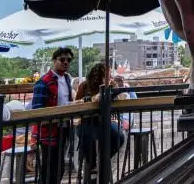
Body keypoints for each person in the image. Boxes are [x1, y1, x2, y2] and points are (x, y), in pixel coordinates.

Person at [31, 47, 74, 184]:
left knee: (59, 166)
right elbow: (37, 109)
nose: (65, 62)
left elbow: (67, 101)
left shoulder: (67, 79)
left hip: (64, 127)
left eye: (68, 60)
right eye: (62, 59)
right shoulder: (43, 82)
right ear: (54, 61)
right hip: (49, 130)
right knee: (49, 168)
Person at [75, 63, 126, 176]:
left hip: (107, 120)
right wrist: (89, 99)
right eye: (106, 75)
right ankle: (91, 164)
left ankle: (103, 159)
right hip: (87, 120)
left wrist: (112, 92)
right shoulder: (84, 86)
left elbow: (121, 97)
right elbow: (76, 103)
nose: (109, 77)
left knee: (119, 136)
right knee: (86, 135)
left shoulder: (112, 85)